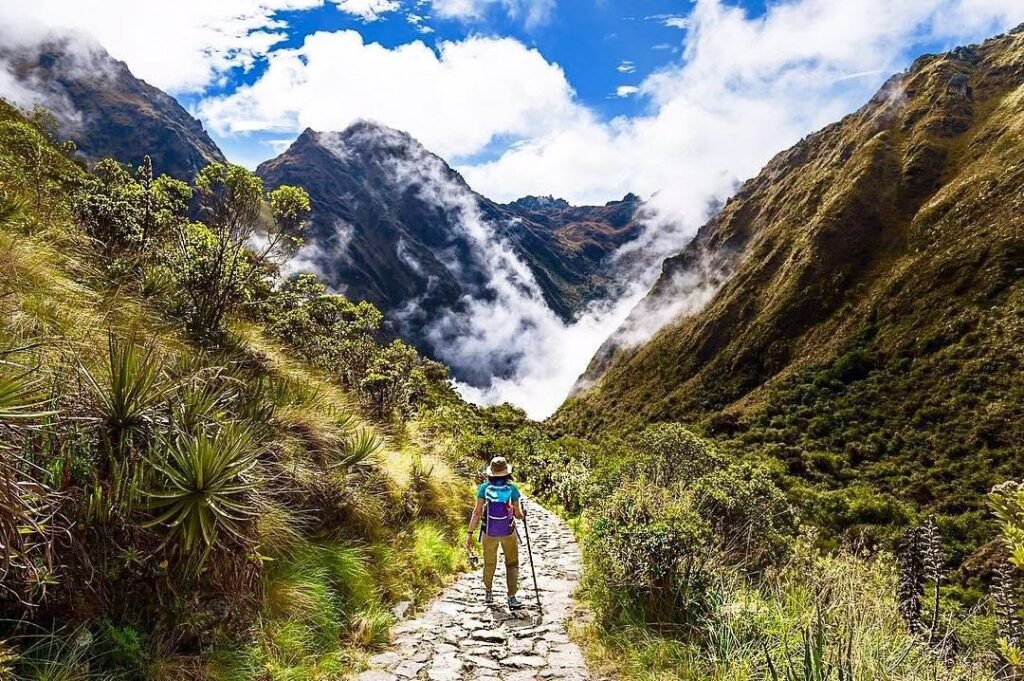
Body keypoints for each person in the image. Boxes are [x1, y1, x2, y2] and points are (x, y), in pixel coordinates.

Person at [466, 456, 525, 608]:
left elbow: (477, 512)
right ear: (506, 472)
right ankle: (511, 596)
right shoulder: (512, 489)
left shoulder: (484, 488)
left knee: (489, 563)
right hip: (508, 532)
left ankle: (488, 592)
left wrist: (470, 533)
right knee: (512, 564)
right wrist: (523, 514)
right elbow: (518, 515)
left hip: (489, 532)